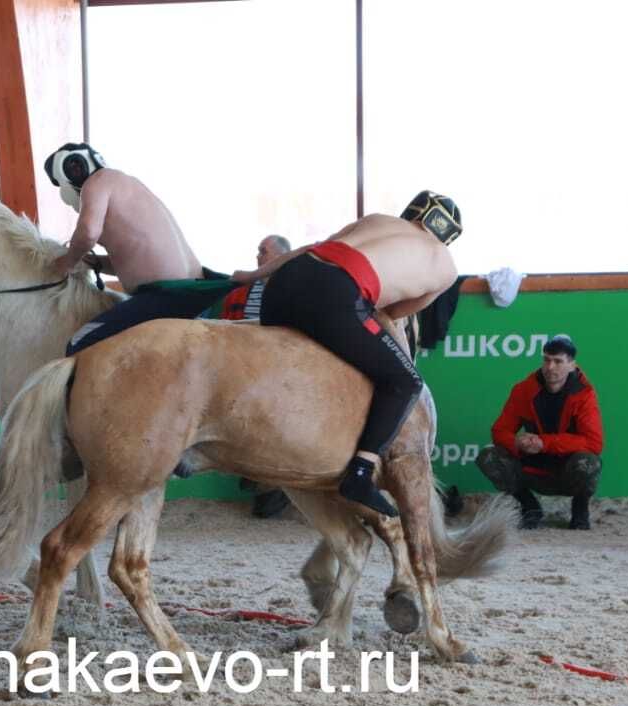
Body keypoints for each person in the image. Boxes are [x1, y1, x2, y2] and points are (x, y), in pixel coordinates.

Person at [229, 191, 462, 517]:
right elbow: (393, 312)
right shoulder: (446, 265)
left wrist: (250, 277)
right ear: (447, 236)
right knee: (405, 381)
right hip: (335, 293)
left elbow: (310, 249)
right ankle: (361, 472)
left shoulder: (378, 220)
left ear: (412, 213)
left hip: (283, 284)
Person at [44, 143, 237, 354]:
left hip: (169, 296)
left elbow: (88, 232)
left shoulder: (97, 182)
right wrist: (96, 263)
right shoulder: (129, 184)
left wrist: (65, 264)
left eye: (75, 166)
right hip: (197, 288)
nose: (76, 170)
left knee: (79, 343)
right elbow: (132, 259)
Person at [475, 335, 604, 530]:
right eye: (546, 360)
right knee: (488, 456)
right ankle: (529, 506)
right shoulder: (523, 389)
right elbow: (500, 430)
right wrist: (517, 442)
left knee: (589, 462)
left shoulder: (585, 394)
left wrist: (544, 443)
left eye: (558, 361)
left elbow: (594, 443)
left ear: (572, 365)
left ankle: (580, 509)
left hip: (567, 470)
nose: (550, 367)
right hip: (531, 467)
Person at [229, 234, 293, 518]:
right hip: (244, 369)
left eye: (263, 251)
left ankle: (271, 481)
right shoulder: (244, 292)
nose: (258, 256)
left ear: (282, 256)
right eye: (258, 251)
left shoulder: (297, 288)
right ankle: (258, 474)